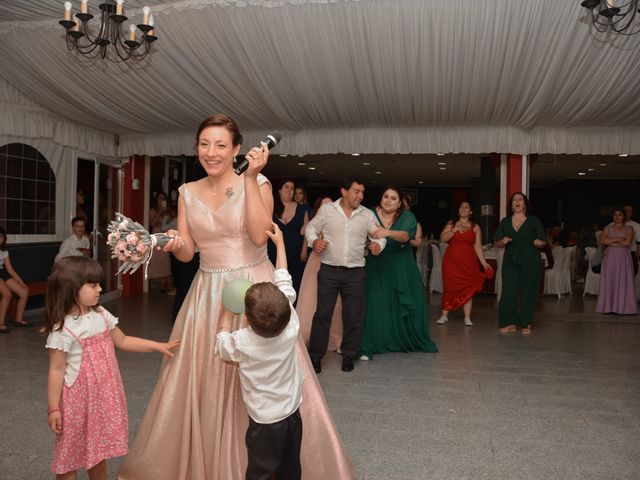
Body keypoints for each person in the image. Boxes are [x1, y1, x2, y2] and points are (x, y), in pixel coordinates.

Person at [118, 114, 355, 480]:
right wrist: (166, 242)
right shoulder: (187, 192)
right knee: (206, 377)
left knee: (260, 378)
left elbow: (259, 236)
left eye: (220, 145)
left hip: (253, 287)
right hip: (207, 291)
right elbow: (188, 252)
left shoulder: (258, 182)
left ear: (237, 149)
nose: (211, 153)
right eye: (204, 144)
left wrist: (247, 178)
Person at [44, 256, 179, 479]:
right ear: (72, 287)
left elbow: (123, 341)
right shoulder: (62, 329)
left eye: (99, 283)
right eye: (93, 284)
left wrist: (157, 345)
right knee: (70, 455)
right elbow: (56, 370)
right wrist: (53, 408)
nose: (100, 289)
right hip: (77, 401)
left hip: (103, 396)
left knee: (98, 451)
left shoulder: (101, 314)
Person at [215, 224, 303, 480]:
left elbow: (221, 345)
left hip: (264, 422)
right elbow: (284, 276)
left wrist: (228, 314)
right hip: (292, 415)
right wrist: (281, 244)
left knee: (261, 471)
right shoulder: (291, 324)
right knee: (290, 468)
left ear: (248, 321)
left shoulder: (243, 341)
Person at [305, 177, 386, 373]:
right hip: (329, 271)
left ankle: (349, 355)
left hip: (355, 273)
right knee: (323, 314)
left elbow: (379, 235)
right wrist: (314, 241)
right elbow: (310, 228)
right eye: (356, 191)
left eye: (362, 192)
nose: (360, 195)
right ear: (344, 191)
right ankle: (315, 357)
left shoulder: (367, 215)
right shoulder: (327, 210)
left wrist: (379, 245)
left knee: (353, 316)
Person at [358, 187, 438, 360]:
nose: (388, 200)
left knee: (399, 304)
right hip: (377, 265)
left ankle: (399, 340)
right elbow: (361, 235)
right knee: (375, 304)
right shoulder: (370, 213)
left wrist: (386, 232)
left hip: (401, 266)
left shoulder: (408, 216)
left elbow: (405, 236)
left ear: (400, 202)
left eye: (393, 198)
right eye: (385, 196)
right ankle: (373, 343)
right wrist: (369, 246)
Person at [494, 192, 546, 335]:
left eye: (520, 200)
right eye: (514, 200)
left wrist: (539, 243)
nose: (517, 202)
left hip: (530, 259)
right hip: (510, 260)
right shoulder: (505, 221)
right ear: (511, 205)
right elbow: (497, 241)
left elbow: (543, 240)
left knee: (528, 291)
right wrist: (502, 242)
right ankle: (508, 322)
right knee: (508, 291)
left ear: (525, 204)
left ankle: (525, 322)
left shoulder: (534, 221)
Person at [296, 196, 344, 351]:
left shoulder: (339, 222)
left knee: (335, 302)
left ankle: (334, 338)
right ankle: (307, 335)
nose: (327, 207)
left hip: (333, 263)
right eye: (323, 205)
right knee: (310, 299)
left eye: (330, 205)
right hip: (316, 262)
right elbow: (304, 230)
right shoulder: (316, 221)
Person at [436, 201, 492, 327]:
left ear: (471, 212)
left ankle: (467, 317)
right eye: (461, 207)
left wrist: (484, 264)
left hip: (468, 263)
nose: (463, 209)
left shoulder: (475, 227)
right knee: (449, 287)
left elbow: (478, 247)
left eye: (466, 207)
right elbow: (443, 238)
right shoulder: (451, 224)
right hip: (451, 262)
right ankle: (444, 316)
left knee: (468, 288)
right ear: (458, 211)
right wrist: (454, 230)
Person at [267, 179, 308, 295]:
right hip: (274, 254)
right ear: (279, 190)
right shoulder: (271, 207)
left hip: (296, 255)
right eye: (286, 187)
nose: (289, 190)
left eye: (292, 188)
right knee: (274, 286)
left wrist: (304, 251)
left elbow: (307, 231)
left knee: (295, 286)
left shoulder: (301, 209)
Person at [596, 208, 637, 315]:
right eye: (615, 215)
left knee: (623, 280)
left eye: (619, 215)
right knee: (610, 279)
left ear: (624, 216)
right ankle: (608, 307)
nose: (617, 217)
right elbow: (603, 240)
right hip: (610, 258)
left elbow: (627, 242)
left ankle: (624, 307)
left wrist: (611, 241)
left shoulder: (629, 228)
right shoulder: (607, 228)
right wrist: (618, 239)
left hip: (623, 257)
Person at [0, 228, 31, 332]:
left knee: (24, 291)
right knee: (7, 294)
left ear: (4, 239)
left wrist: (21, 281)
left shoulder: (4, 252)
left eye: (0, 237)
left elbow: (10, 270)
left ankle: (18, 320)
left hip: (2, 273)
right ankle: (1, 323)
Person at [147, 192, 174, 293]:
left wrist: (167, 213)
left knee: (165, 260)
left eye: (163, 198)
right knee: (155, 259)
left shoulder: (169, 211)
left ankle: (166, 284)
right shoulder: (152, 211)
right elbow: (152, 224)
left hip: (165, 236)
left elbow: (174, 222)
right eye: (159, 198)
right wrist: (160, 212)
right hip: (155, 236)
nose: (161, 200)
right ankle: (154, 284)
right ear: (156, 200)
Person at [623, 204, 640, 277]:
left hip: (631, 253)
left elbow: (639, 240)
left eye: (630, 211)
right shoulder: (614, 225)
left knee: (632, 275)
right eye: (626, 211)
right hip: (617, 253)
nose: (628, 213)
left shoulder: (636, 225)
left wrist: (638, 252)